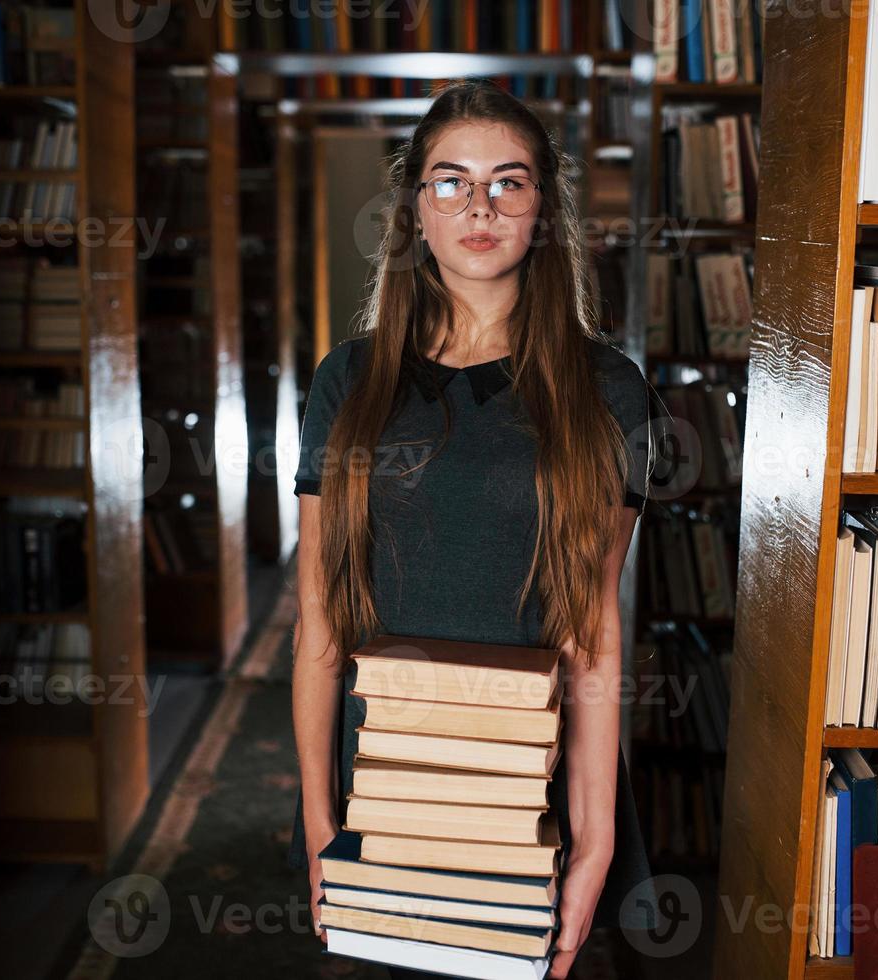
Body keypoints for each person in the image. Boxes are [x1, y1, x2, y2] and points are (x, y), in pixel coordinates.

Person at [287, 78, 658, 979]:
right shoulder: (349, 380)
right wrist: (317, 821)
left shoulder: (609, 390)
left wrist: (596, 838)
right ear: (414, 209)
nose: (479, 206)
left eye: (509, 182)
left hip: (528, 781)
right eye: (450, 182)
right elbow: (319, 625)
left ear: (543, 210)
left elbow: (594, 636)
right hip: (386, 769)